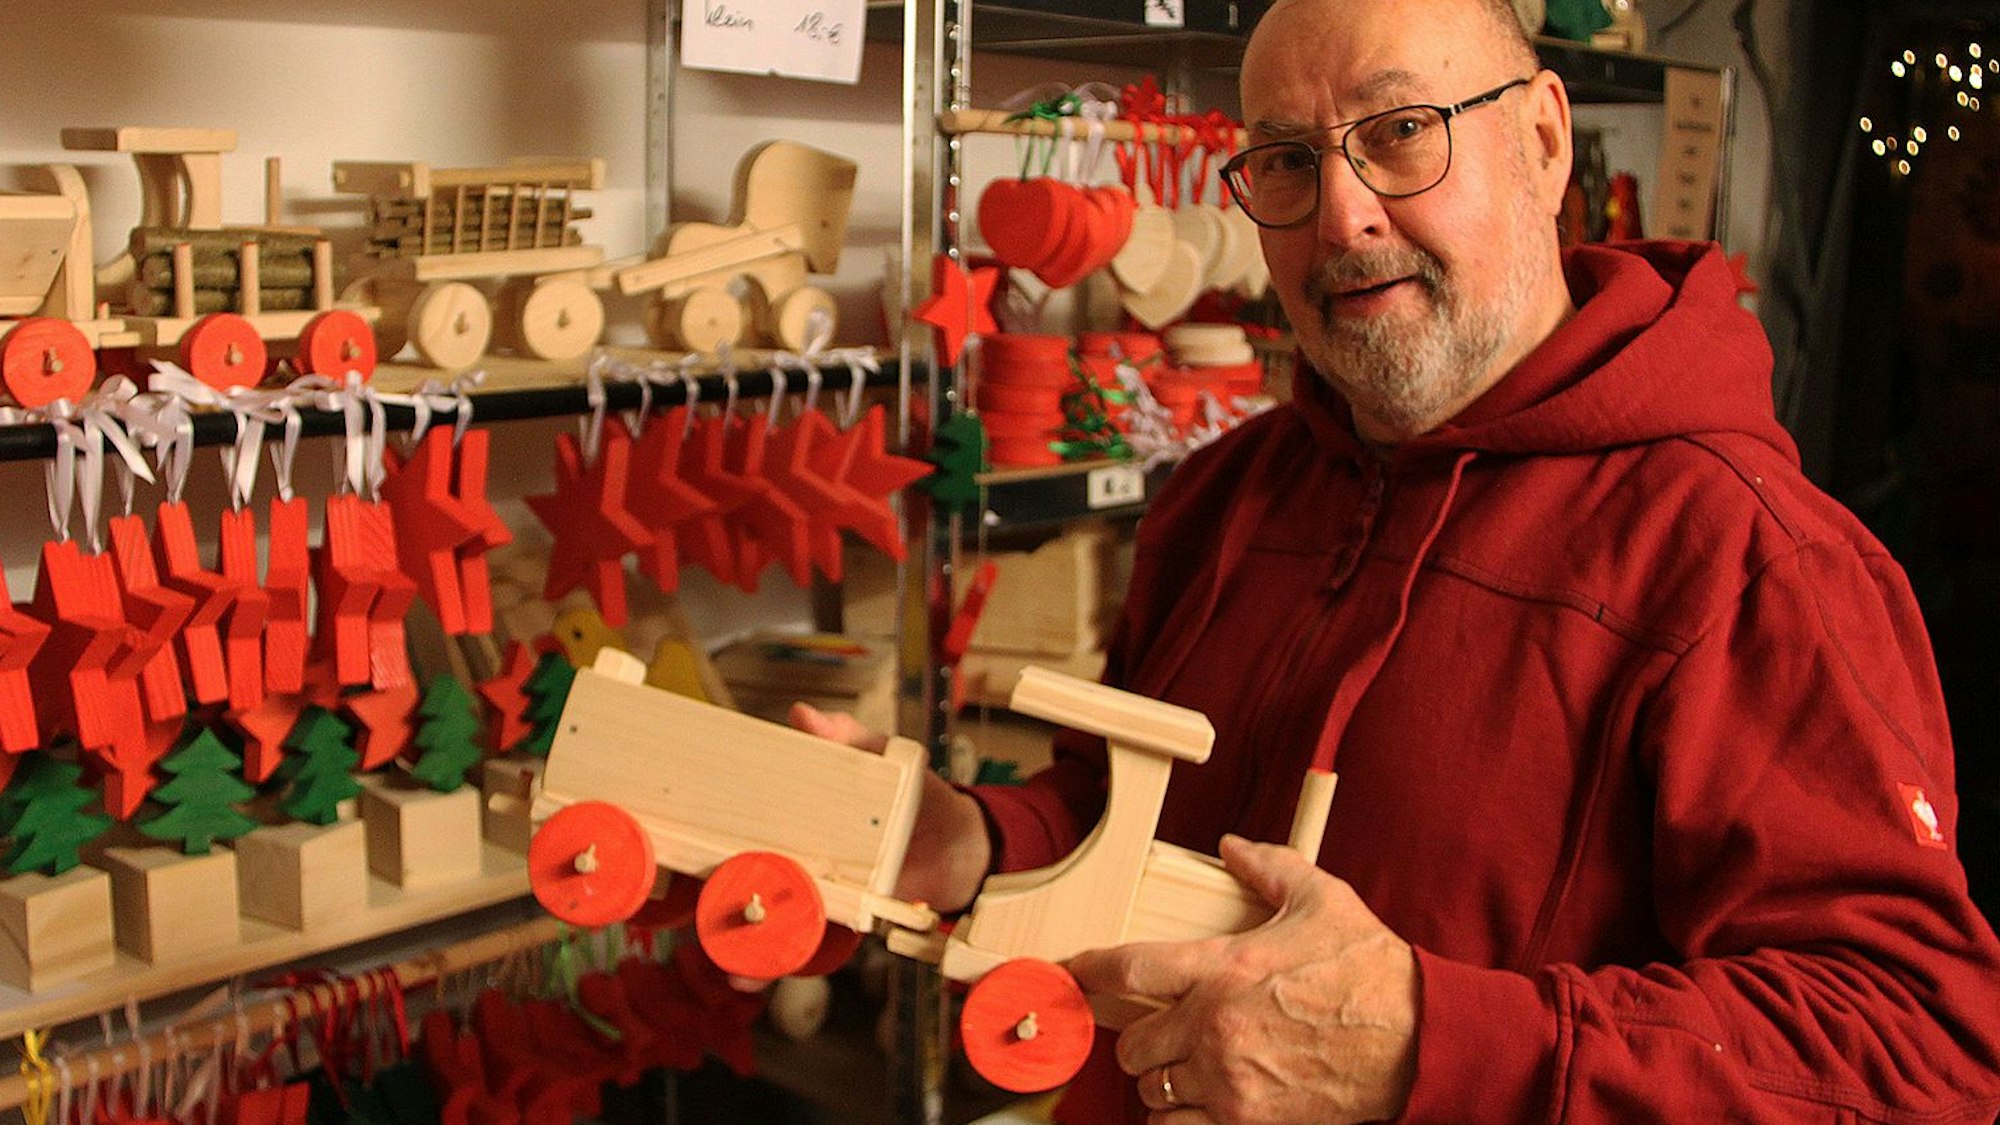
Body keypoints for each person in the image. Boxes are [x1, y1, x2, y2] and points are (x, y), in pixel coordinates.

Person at [801, 0, 2000, 1119]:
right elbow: (1125, 815)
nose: (1342, 215)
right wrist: (976, 842)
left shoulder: (1746, 559)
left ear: (1539, 141)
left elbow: (1916, 1053)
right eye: (1284, 160)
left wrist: (1427, 1043)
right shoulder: (1226, 492)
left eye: (1400, 132)